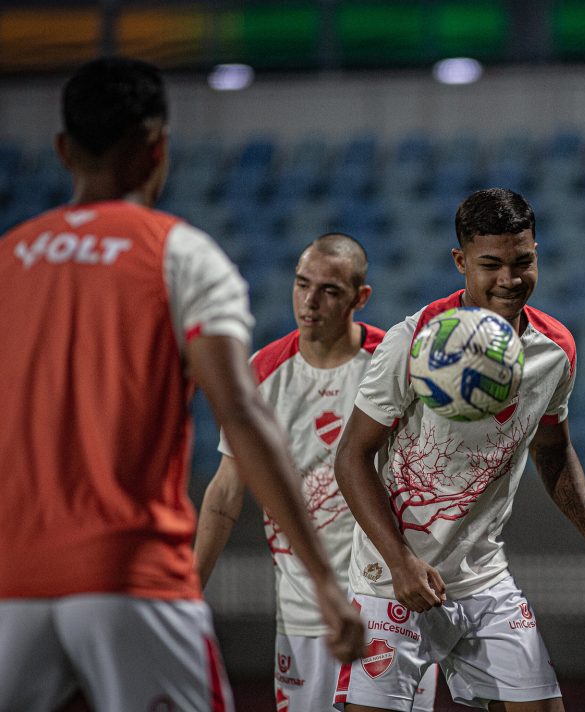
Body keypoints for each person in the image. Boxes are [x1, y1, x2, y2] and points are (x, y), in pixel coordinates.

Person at [0, 56, 363, 711]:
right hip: (130, 578)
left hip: (10, 586)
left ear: (62, 149)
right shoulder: (181, 255)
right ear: (158, 148)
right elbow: (245, 418)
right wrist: (325, 580)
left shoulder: (8, 257)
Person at [333, 187, 585, 712]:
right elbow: (351, 458)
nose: (510, 280)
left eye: (524, 262)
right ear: (460, 261)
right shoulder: (415, 340)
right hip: (390, 581)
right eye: (490, 264)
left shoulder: (554, 350)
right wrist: (401, 563)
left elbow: (553, 450)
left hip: (482, 577)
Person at [194, 232, 437, 711]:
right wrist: (187, 591)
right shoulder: (261, 374)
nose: (310, 301)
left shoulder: (395, 363)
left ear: (359, 298)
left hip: (388, 599)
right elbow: (225, 495)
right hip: (304, 609)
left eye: (329, 290)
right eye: (302, 284)